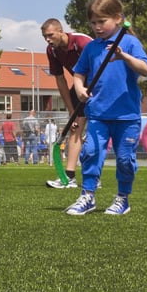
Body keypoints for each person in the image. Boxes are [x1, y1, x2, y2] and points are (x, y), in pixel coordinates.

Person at [66, 0, 147, 216]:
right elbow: (78, 74)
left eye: (102, 21)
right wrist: (80, 89)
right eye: (93, 23)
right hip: (98, 113)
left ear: (118, 19)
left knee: (124, 159)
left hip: (127, 115)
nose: (97, 27)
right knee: (91, 153)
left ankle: (122, 198)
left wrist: (126, 58)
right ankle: (87, 196)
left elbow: (146, 70)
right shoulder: (92, 47)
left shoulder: (130, 42)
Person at [41, 18, 92, 188]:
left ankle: (93, 176)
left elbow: (104, 65)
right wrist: (72, 112)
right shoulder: (52, 51)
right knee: (75, 128)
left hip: (101, 85)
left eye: (50, 35)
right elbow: (60, 80)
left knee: (100, 130)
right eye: (44, 37)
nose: (47, 40)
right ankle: (69, 177)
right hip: (80, 87)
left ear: (60, 30)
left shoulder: (82, 41)